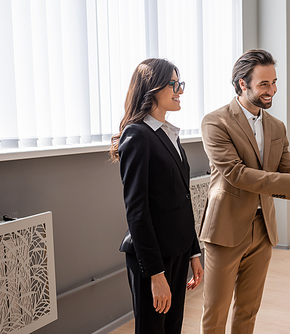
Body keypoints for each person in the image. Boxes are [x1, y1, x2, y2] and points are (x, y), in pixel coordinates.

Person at [199, 49, 290, 334]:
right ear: (242, 84)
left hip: (263, 229)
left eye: (274, 82)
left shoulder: (276, 126)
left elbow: (285, 170)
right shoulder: (215, 122)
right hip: (225, 229)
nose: (272, 90)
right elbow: (235, 173)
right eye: (264, 84)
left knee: (248, 309)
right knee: (216, 312)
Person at [109, 58, 204, 334]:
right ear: (152, 88)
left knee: (172, 328)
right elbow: (137, 211)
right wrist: (156, 273)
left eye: (180, 83)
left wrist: (193, 252)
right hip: (153, 258)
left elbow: (182, 200)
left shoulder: (169, 135)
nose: (180, 90)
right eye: (173, 84)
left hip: (178, 249)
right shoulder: (137, 136)